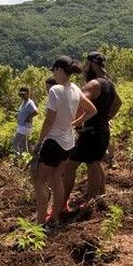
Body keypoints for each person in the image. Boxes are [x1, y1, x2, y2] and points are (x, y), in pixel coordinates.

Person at [34, 56, 97, 228]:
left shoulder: (55, 90)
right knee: (57, 178)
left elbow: (49, 120)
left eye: (54, 70)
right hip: (68, 142)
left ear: (60, 70)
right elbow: (92, 110)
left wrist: (39, 142)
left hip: (53, 141)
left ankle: (40, 223)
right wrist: (75, 123)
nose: (53, 73)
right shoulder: (75, 89)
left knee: (40, 180)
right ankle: (54, 218)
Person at [63, 51, 122, 210]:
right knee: (95, 163)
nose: (85, 67)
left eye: (87, 63)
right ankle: (100, 196)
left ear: (92, 64)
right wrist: (107, 118)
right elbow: (118, 103)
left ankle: (82, 201)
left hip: (91, 132)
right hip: (102, 131)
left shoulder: (93, 84)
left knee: (70, 167)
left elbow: (78, 102)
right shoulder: (109, 83)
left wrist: (75, 122)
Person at [12, 87, 38, 154]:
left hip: (24, 126)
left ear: (28, 93)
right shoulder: (24, 102)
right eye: (20, 94)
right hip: (21, 126)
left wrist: (29, 117)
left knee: (15, 144)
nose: (22, 96)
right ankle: (25, 159)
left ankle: (18, 159)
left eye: (23, 94)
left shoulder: (30, 102)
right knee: (23, 145)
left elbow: (36, 111)